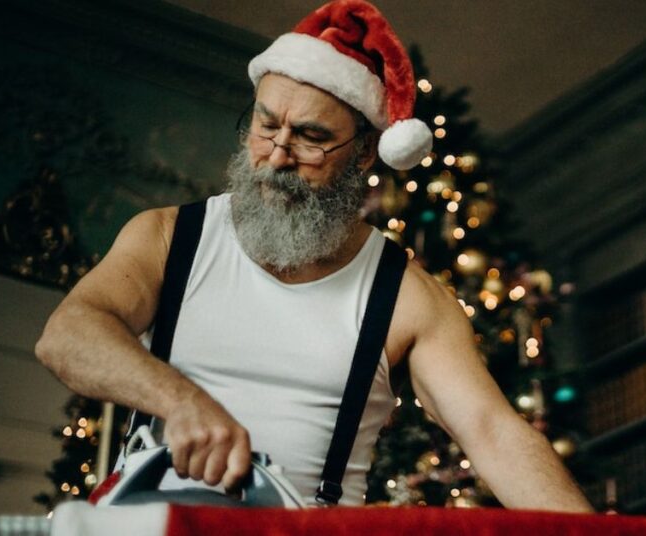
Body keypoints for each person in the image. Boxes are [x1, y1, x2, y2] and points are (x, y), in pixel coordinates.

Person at [35, 0, 593, 512]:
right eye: (265, 124)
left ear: (366, 153)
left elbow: (493, 433)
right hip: (151, 523)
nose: (277, 156)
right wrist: (180, 401)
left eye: (310, 136)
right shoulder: (167, 236)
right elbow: (67, 337)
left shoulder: (405, 297)